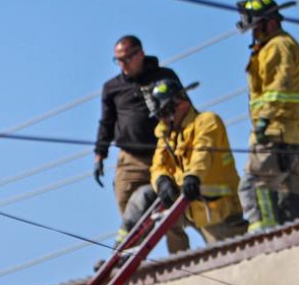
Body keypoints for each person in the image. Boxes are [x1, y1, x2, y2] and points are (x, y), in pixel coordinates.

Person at [128, 77, 247, 249]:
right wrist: (161, 180)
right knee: (145, 196)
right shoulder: (168, 135)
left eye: (164, 113)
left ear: (181, 104)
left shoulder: (207, 122)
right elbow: (158, 165)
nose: (162, 120)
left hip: (218, 211)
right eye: (159, 115)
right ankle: (121, 257)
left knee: (229, 263)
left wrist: (193, 177)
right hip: (187, 207)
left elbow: (203, 153)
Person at [94, 35, 184, 251]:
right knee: (131, 216)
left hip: (163, 155)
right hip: (131, 159)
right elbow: (106, 122)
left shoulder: (164, 76)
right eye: (118, 60)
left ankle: (181, 259)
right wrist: (100, 155)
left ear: (140, 54)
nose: (122, 65)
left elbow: (183, 108)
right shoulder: (112, 87)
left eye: (126, 59)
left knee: (171, 212)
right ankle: (130, 259)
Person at [236, 0, 299, 232]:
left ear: (269, 22)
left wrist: (264, 122)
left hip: (275, 132)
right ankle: (295, 240)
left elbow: (280, 88)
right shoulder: (277, 46)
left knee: (254, 184)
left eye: (256, 28)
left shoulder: (277, 47)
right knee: (287, 194)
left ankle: (263, 235)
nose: (254, 34)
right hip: (290, 132)